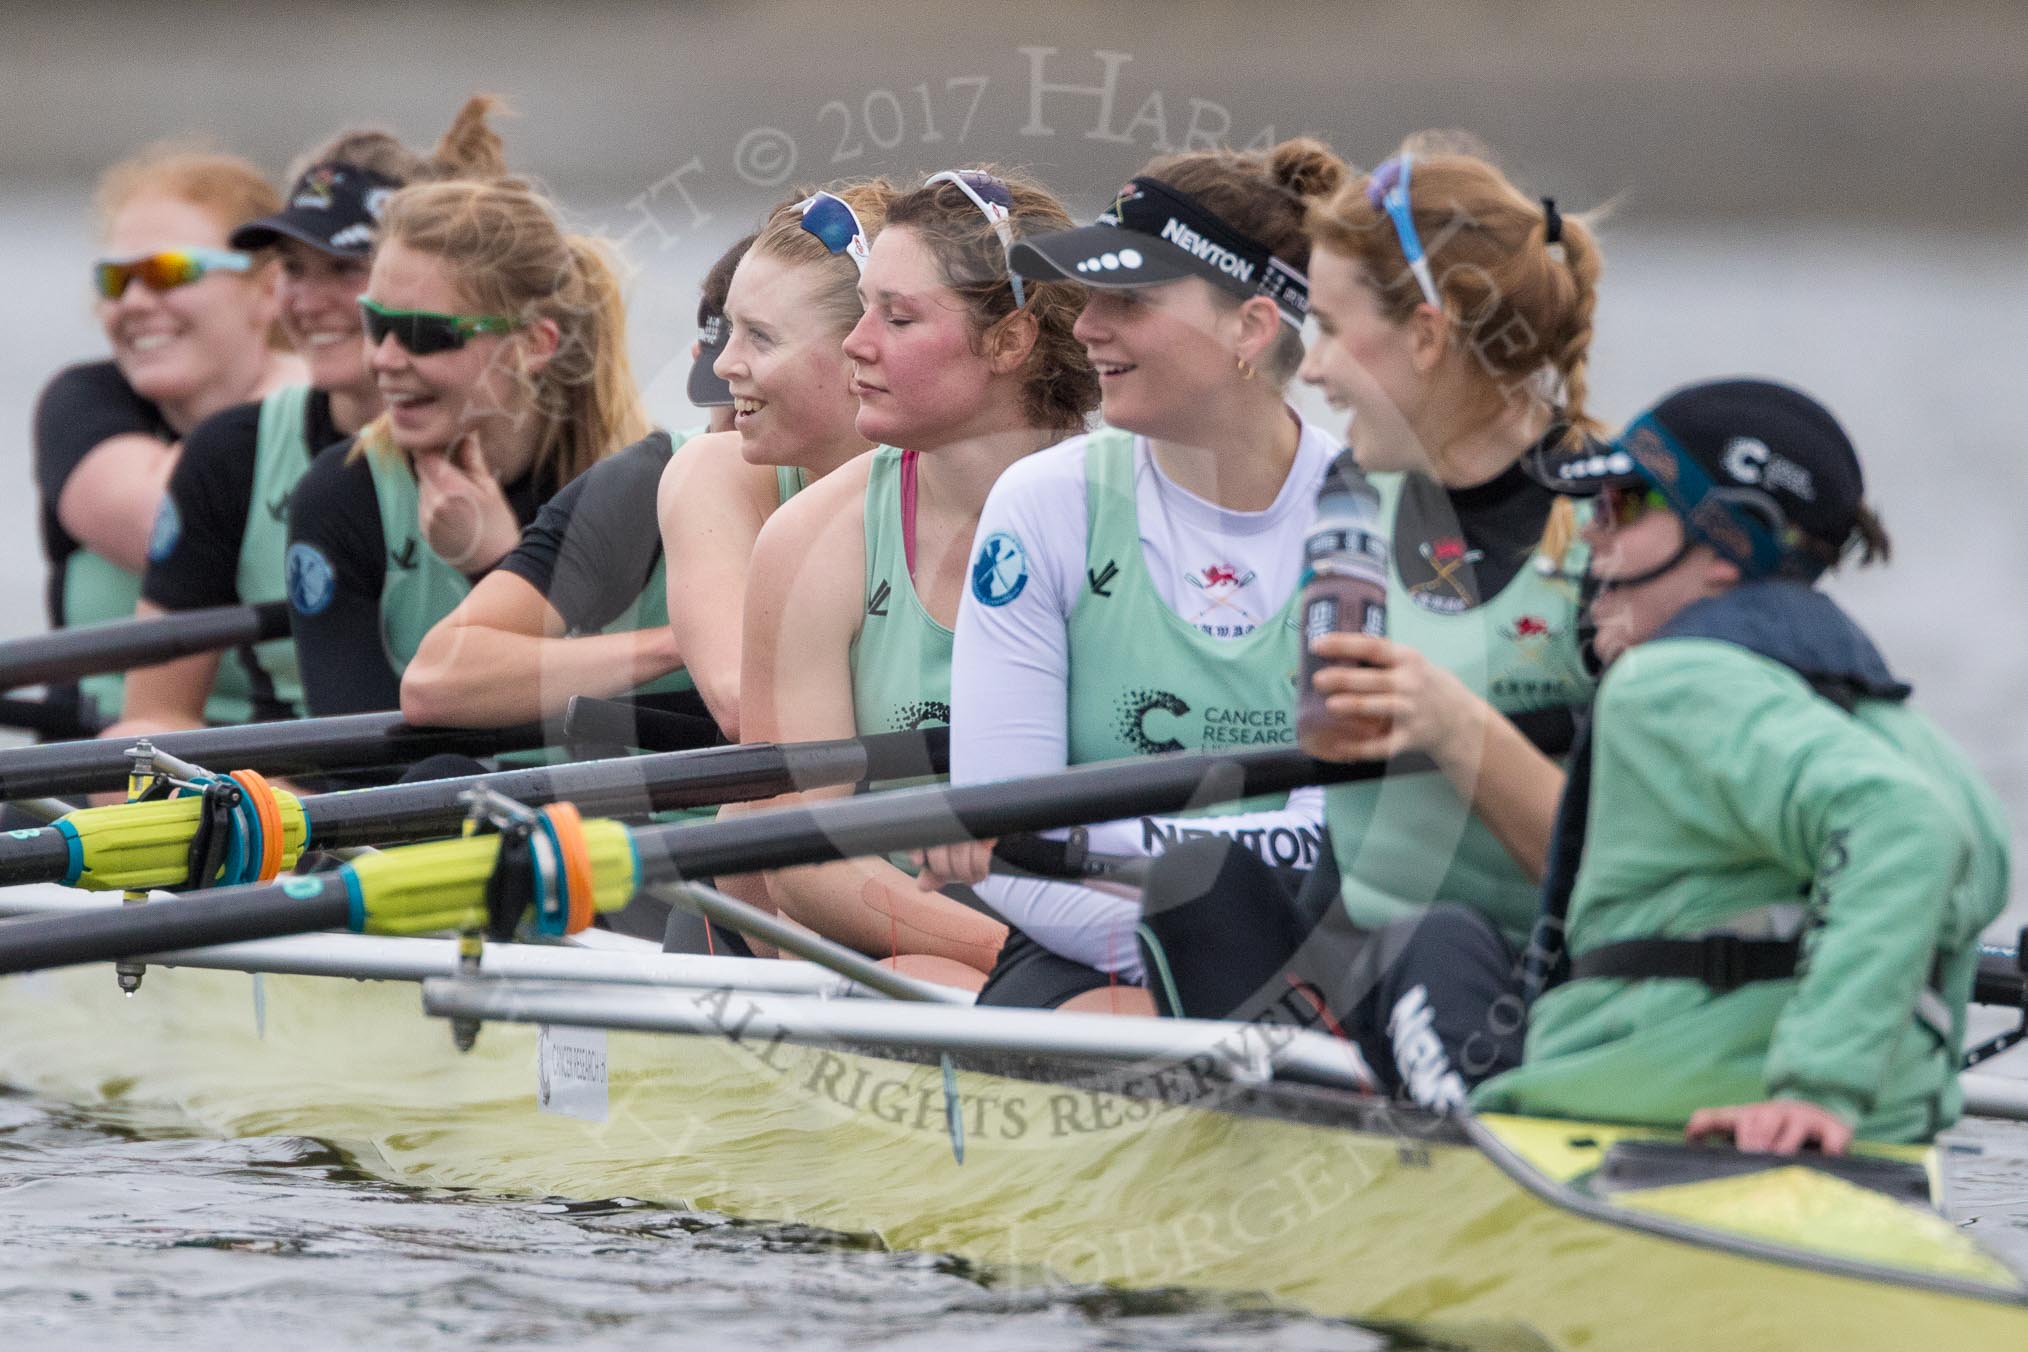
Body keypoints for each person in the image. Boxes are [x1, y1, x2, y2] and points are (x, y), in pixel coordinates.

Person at [1128, 140, 1607, 1104]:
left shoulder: (1616, 534)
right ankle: (1292, 1135)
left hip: (1553, 977)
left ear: (1426, 337)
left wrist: (1459, 728)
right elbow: (1335, 735)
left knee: (1442, 940)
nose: (1319, 372)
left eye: (1337, 332)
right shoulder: (1352, 497)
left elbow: (1635, 878)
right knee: (1195, 878)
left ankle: (1431, 1144)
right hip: (1357, 965)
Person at [1467, 379, 2010, 1152]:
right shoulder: (1914, 740)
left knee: (1433, 946)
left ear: (1726, 548)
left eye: (1621, 507)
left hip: (1639, 1120)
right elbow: (1925, 843)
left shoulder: (1663, 684)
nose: (1590, 538)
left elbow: (1900, 825)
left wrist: (1819, 1086)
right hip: (1880, 1143)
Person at [934, 140, 1349, 1013]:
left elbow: (1384, 839)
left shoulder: (1373, 514)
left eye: (1130, 299)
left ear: (1251, 327)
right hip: (1085, 941)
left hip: (1336, 947)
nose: (1086, 326)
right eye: (1090, 296)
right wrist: (1216, 942)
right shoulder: (1047, 506)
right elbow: (1010, 846)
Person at [739, 169, 1098, 989]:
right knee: (935, 975)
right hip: (903, 929)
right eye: (862, 308)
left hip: (1096, 910)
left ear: (1010, 342)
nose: (854, 344)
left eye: (896, 317)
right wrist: (1017, 966)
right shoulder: (811, 541)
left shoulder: (1144, 518)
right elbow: (802, 854)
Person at [110, 97, 506, 739]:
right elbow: (151, 719)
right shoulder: (231, 455)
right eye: (293, 269)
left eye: (345, 268)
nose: (307, 301)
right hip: (290, 802)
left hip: (501, 790)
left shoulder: (522, 442)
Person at [284, 171, 648, 717]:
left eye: (424, 334)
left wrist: (499, 566)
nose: (383, 359)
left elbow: (611, 735)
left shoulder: (643, 489)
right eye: (375, 323)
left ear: (532, 344)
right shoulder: (341, 494)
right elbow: (357, 764)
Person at [399, 228, 752, 731]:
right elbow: (435, 679)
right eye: (729, 389)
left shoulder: (889, 478)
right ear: (702, 361)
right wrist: (688, 639)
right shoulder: (643, 485)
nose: (744, 416)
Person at [33, 145, 301, 733]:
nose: (132, 302)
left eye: (169, 271)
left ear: (269, 289)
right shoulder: (85, 400)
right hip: (91, 783)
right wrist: (291, 395)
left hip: (280, 788)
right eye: (116, 278)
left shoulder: (341, 422)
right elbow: (165, 531)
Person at [653, 182, 900, 741]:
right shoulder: (711, 471)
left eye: (759, 337)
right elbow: (752, 709)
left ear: (860, 347)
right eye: (730, 330)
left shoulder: (968, 474)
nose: (724, 366)